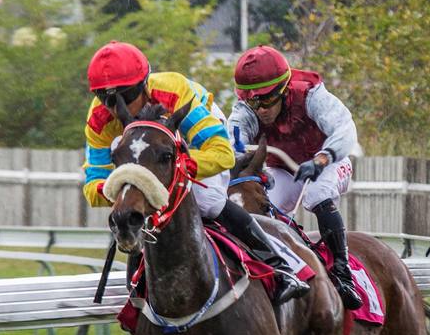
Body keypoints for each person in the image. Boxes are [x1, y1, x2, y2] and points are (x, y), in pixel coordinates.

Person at [82, 41, 308, 303]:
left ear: (144, 85)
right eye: (106, 98)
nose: (115, 108)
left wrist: (177, 167)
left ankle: (280, 267)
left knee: (208, 201)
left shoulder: (173, 92)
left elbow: (221, 154)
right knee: (137, 206)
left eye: (126, 95)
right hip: (147, 152)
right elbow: (93, 186)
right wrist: (124, 187)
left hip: (195, 139)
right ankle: (137, 296)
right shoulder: (98, 120)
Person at [226, 45, 364, 310]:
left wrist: (321, 159)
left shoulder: (312, 94)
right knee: (263, 206)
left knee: (316, 194)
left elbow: (345, 129)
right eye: (254, 102)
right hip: (284, 169)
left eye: (267, 100)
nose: (261, 110)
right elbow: (233, 145)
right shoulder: (244, 111)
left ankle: (343, 272)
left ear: (284, 89)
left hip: (329, 162)